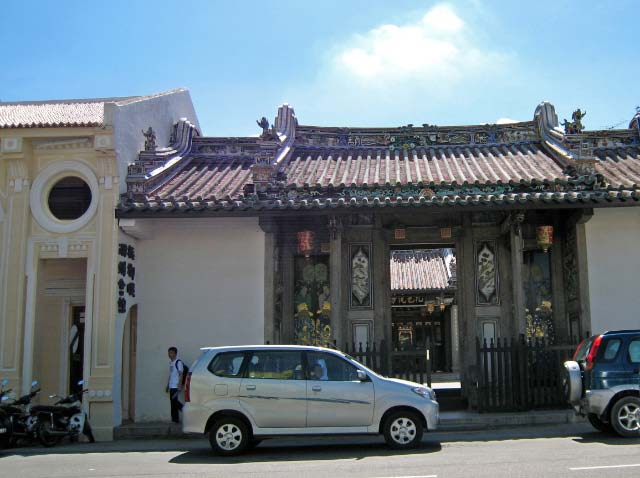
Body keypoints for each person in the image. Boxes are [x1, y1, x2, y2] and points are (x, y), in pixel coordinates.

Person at [166, 346, 184, 423]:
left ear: (175, 354)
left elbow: (181, 374)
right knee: (173, 403)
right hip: (171, 386)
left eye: (171, 353)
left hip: (175, 386)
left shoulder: (178, 362)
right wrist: (168, 385)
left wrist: (179, 385)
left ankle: (185, 411)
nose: (170, 354)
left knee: (175, 403)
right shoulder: (171, 363)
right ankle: (174, 419)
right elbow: (171, 374)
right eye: (169, 353)